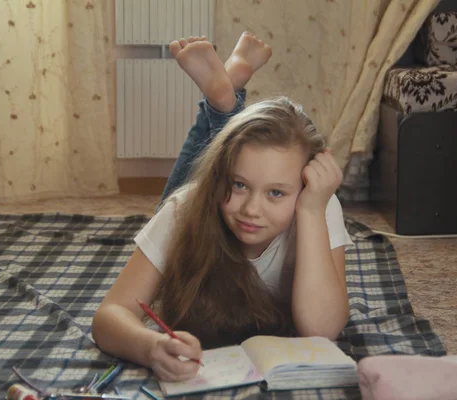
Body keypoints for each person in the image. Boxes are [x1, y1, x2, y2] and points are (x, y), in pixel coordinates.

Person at [92, 32, 354, 383]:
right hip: (195, 207)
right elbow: (110, 314)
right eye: (239, 184)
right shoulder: (186, 208)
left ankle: (223, 103)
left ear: (307, 187)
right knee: (183, 192)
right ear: (221, 178)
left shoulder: (318, 204)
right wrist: (150, 347)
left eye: (276, 193)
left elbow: (322, 329)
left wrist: (310, 212)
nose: (250, 210)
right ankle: (222, 108)